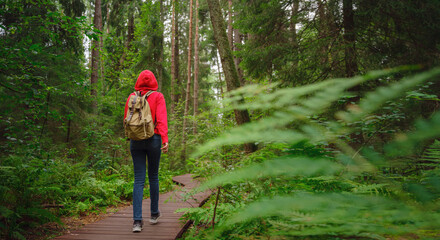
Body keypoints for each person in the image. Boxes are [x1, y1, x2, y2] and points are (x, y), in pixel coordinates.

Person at [124, 70, 169, 233]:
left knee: (138, 180)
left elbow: (127, 119)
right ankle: (154, 214)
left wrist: (130, 137)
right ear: (153, 82)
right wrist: (165, 139)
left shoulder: (132, 97)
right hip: (154, 139)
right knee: (154, 176)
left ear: (138, 81)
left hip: (135, 141)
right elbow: (162, 119)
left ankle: (137, 221)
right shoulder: (158, 96)